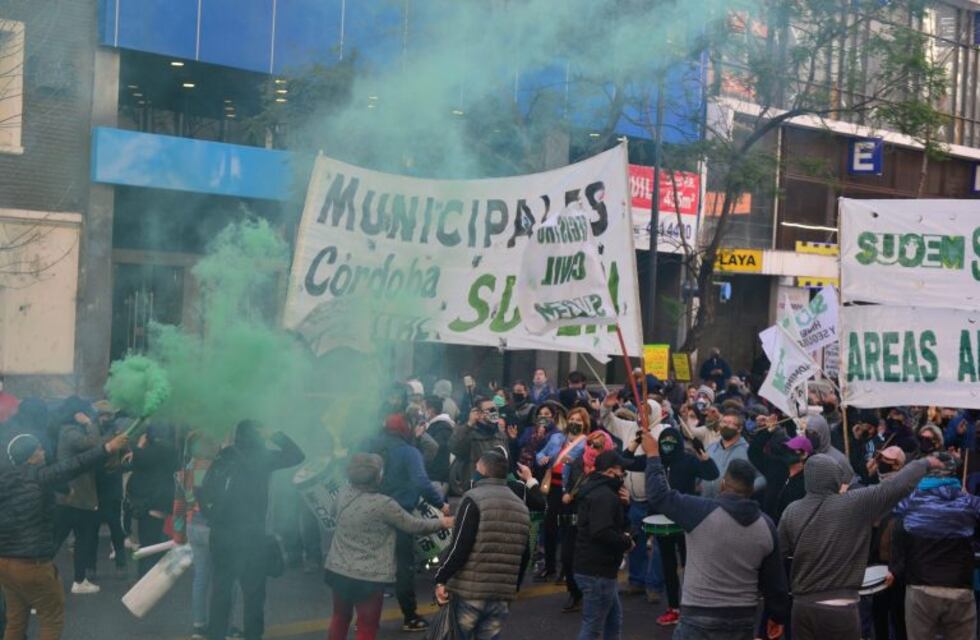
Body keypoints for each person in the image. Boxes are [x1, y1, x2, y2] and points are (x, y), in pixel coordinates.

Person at [778, 451, 941, 640]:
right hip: (840, 608)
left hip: (802, 607)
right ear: (835, 477)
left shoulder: (791, 511)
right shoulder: (855, 503)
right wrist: (924, 463)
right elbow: (896, 486)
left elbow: (779, 553)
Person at [643, 429, 789, 640]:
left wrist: (653, 456)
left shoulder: (699, 511)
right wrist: (777, 616)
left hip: (698, 615)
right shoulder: (766, 526)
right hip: (742, 618)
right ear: (751, 489)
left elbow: (658, 495)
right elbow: (775, 580)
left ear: (723, 485)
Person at [0, 430, 128, 640]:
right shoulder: (39, 476)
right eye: (39, 448)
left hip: (4, 563)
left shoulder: (3, 478)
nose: (43, 451)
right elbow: (74, 464)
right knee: (51, 619)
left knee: (15, 620)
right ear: (31, 456)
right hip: (33, 563)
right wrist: (107, 448)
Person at [326, 453, 453, 640]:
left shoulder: (343, 494)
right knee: (367, 625)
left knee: (340, 617)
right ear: (377, 477)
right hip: (369, 577)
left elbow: (332, 514)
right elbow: (414, 525)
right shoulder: (384, 504)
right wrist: (443, 523)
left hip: (338, 570)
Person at [202, 421, 305, 640]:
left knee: (221, 589)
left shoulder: (223, 456)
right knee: (254, 592)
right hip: (250, 534)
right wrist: (275, 434)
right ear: (258, 436)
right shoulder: (262, 457)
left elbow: (205, 492)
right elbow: (297, 455)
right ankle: (253, 635)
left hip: (220, 533)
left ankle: (216, 635)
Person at [434, 450, 530, 639]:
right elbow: (524, 554)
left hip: (471, 592)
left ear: (483, 471)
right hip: (501, 595)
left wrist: (441, 577)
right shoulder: (521, 507)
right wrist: (513, 587)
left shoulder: (473, 499)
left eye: (476, 469)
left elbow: (460, 546)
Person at [891, 452, 980, 640]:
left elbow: (890, 509)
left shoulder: (911, 500)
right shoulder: (970, 503)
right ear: (953, 474)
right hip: (960, 589)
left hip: (921, 589)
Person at [374, 413, 448, 632]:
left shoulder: (374, 447)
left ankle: (366, 618)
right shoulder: (408, 451)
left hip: (372, 511)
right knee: (404, 566)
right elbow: (421, 480)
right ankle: (410, 616)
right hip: (399, 513)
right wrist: (441, 503)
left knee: (373, 565)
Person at [647, 427, 719, 626]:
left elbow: (712, 474)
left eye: (672, 439)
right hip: (662, 522)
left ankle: (693, 605)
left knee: (691, 565)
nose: (667, 443)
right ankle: (673, 607)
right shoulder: (655, 462)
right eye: (664, 440)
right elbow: (651, 492)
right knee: (668, 567)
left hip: (686, 521)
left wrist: (703, 456)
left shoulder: (688, 460)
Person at [601, 395, 664, 603]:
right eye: (639, 411)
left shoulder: (662, 432)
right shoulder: (629, 428)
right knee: (634, 541)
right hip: (634, 499)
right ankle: (636, 581)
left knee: (658, 546)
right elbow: (607, 421)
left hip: (656, 499)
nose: (641, 415)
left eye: (646, 412)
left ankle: (654, 585)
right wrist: (606, 406)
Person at [172, 431, 228, 640]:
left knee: (201, 577)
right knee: (223, 578)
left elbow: (178, 505)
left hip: (192, 526)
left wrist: (178, 535)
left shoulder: (184, 471)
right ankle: (223, 624)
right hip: (214, 527)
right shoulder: (218, 469)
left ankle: (198, 625)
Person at [572, 450, 632, 639]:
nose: (623, 475)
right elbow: (602, 531)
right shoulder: (605, 496)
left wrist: (624, 506)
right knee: (593, 626)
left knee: (613, 619)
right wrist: (626, 542)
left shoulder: (595, 489)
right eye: (622, 470)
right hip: (597, 570)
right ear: (610, 472)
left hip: (597, 568)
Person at [51, 397, 103, 595]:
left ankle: (80, 580)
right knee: (74, 540)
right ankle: (77, 581)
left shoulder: (64, 430)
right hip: (75, 496)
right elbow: (94, 444)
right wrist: (90, 424)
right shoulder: (70, 432)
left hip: (73, 497)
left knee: (69, 540)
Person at [124, 423, 178, 577]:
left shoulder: (146, 453)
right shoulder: (171, 451)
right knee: (157, 543)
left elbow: (129, 464)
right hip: (162, 502)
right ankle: (155, 578)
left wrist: (140, 446)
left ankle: (144, 581)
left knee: (148, 546)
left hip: (148, 503)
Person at [92, 406, 127, 577]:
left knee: (115, 528)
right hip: (96, 484)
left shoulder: (117, 433)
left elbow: (126, 453)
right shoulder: (93, 432)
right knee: (92, 530)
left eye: (107, 415)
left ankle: (121, 566)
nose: (105, 418)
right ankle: (91, 568)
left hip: (111, 483)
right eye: (102, 415)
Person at [450, 397, 508, 497]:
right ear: (479, 414)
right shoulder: (469, 434)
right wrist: (469, 425)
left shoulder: (501, 435)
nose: (494, 412)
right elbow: (455, 448)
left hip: (497, 490)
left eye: (495, 409)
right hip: (475, 489)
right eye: (489, 410)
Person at [700, 410, 762, 499]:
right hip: (705, 502)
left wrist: (743, 491)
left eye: (730, 423)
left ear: (739, 428)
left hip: (732, 505)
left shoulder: (749, 451)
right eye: (723, 422)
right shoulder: (710, 448)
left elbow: (762, 478)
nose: (725, 425)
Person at [804, 413, 856, 484]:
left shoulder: (839, 460)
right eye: (808, 433)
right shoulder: (807, 457)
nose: (810, 436)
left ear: (823, 434)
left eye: (814, 433)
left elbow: (850, 484)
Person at [421, 396, 454, 495]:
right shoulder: (432, 426)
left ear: (431, 410)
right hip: (432, 476)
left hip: (438, 478)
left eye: (423, 408)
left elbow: (436, 448)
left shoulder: (443, 427)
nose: (421, 411)